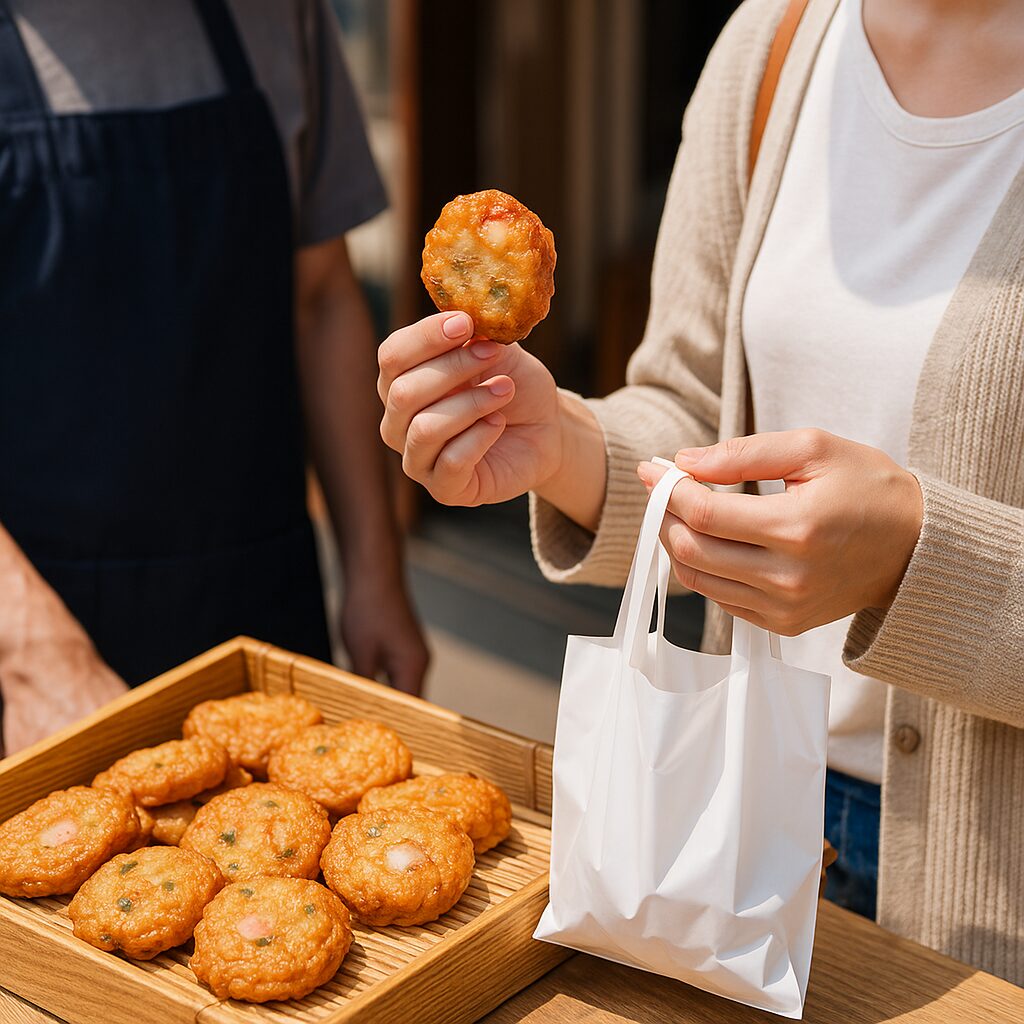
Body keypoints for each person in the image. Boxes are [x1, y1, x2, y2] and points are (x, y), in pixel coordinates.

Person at [377, 0, 1024, 986]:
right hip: (747, 822)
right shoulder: (776, 40)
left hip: (996, 898)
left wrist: (914, 560)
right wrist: (557, 443)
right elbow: (694, 407)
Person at [0, 0, 428, 755]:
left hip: (256, 598)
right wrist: (28, 645)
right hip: (31, 647)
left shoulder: (279, 13)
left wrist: (373, 568)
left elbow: (322, 296)